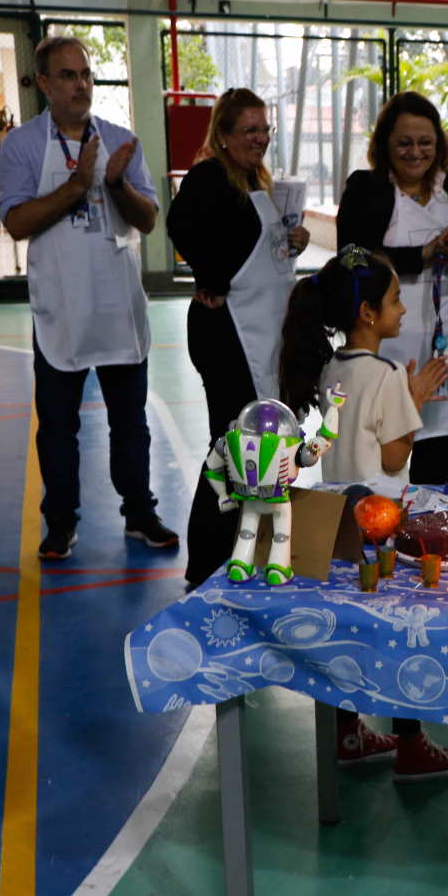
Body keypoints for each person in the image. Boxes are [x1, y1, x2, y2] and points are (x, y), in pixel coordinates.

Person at [278, 246, 448, 779]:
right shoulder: (386, 374)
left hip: (338, 517)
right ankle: (412, 745)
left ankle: (348, 733)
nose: (403, 309)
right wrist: (413, 399)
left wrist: (405, 397)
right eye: (394, 300)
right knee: (400, 630)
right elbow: (393, 456)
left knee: (351, 627)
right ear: (368, 313)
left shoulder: (333, 367)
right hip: (380, 520)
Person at [0, 34, 177, 562]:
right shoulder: (22, 146)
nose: (81, 85)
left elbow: (149, 219)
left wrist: (117, 185)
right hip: (62, 310)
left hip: (117, 306)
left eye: (86, 74)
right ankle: (60, 522)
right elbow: (16, 222)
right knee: (58, 427)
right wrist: (76, 186)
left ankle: (140, 513)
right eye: (68, 75)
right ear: (44, 83)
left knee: (131, 424)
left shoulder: (121, 140)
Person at [167, 88, 310, 587]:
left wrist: (295, 241)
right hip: (227, 333)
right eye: (249, 129)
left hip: (262, 330)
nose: (260, 138)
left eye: (265, 129)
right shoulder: (210, 176)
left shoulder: (256, 180)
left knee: (257, 448)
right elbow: (180, 225)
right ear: (223, 134)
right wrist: (209, 277)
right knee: (231, 448)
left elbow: (255, 246)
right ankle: (206, 561)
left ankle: (242, 547)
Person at [337, 91, 448, 485]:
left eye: (425, 142)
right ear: (385, 145)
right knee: (384, 456)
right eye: (404, 143)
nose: (415, 152)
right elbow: (349, 256)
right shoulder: (366, 187)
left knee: (440, 454)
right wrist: (419, 255)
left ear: (438, 144)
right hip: (389, 346)